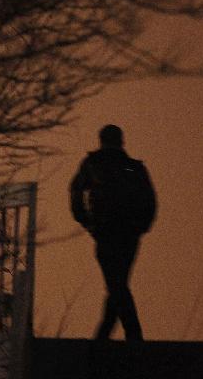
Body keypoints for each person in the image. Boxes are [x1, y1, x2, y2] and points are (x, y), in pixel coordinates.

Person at [69, 124, 156, 342]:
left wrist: (86, 221)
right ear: (121, 141)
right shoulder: (133, 167)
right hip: (128, 234)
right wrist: (141, 226)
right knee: (118, 283)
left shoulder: (93, 164)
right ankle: (107, 334)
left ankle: (130, 334)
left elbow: (75, 190)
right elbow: (150, 200)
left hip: (106, 231)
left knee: (116, 284)